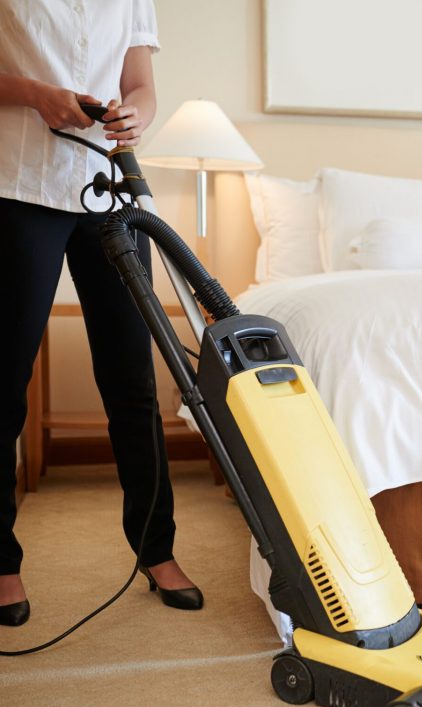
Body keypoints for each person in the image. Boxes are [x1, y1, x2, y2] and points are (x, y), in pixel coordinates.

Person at [0, 0, 202, 627]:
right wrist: (38, 95)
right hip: (19, 186)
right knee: (5, 381)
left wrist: (135, 113)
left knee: (133, 379)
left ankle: (156, 548)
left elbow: (140, 83)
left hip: (107, 189)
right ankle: (1, 563)